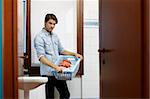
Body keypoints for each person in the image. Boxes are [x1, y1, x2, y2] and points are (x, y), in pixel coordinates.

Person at [34, 13, 83, 99]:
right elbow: (41, 58)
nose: (52, 26)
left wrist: (74, 54)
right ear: (45, 22)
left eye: (54, 24)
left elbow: (62, 50)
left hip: (58, 73)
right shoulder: (39, 37)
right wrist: (55, 67)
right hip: (47, 73)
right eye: (50, 23)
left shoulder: (55, 36)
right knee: (49, 97)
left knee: (65, 94)